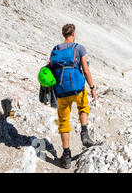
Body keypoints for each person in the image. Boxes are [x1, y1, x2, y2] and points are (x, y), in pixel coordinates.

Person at [49, 24, 97, 169]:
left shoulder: (56, 49)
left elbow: (51, 69)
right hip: (77, 88)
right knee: (83, 106)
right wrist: (92, 88)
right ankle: (84, 132)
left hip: (61, 91)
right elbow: (86, 70)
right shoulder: (79, 48)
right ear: (74, 33)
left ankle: (67, 155)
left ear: (64, 34)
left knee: (64, 121)